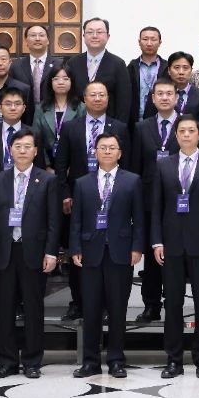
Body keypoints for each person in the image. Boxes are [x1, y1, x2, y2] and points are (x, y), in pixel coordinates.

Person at [153, 117, 199, 379]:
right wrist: (157, 241)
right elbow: (156, 207)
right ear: (175, 135)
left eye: (191, 131)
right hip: (171, 245)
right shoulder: (163, 165)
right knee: (172, 304)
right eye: (182, 131)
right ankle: (173, 359)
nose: (186, 135)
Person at [0, 129, 59, 379]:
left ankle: (32, 361)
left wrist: (51, 252)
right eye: (18, 146)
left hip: (34, 252)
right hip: (5, 252)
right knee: (5, 309)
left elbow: (53, 220)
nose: (23, 150)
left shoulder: (47, 180)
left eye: (28, 146)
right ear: (10, 150)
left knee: (33, 309)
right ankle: (7, 362)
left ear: (35, 151)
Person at [68, 133, 144, 378]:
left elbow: (139, 218)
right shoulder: (82, 183)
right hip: (90, 253)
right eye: (103, 147)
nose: (108, 151)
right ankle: (90, 361)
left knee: (117, 309)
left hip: (120, 253)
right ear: (95, 152)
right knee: (91, 309)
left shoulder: (132, 181)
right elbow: (76, 220)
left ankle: (116, 360)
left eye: (112, 148)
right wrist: (75, 248)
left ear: (120, 153)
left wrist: (137, 247)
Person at [55, 82, 131, 321]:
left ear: (108, 98)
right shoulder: (70, 127)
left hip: (112, 199)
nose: (98, 98)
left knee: (109, 252)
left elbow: (127, 165)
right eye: (93, 95)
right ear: (84, 99)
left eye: (102, 94)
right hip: (80, 199)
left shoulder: (119, 127)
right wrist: (65, 193)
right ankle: (78, 302)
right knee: (80, 252)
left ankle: (108, 305)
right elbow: (61, 164)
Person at [131, 79, 180, 322]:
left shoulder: (186, 125)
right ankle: (151, 305)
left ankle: (174, 303)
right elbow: (135, 168)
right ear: (152, 98)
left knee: (176, 254)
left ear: (176, 97)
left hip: (179, 200)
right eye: (159, 94)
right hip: (150, 201)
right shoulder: (142, 127)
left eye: (169, 93)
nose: (164, 97)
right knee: (152, 256)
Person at [65, 17, 132, 124]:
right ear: (83, 36)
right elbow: (68, 96)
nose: (94, 36)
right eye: (90, 32)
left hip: (108, 125)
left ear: (108, 36)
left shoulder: (118, 64)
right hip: (77, 124)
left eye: (99, 32)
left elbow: (124, 101)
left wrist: (118, 128)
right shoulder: (73, 63)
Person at [32, 64, 82, 172]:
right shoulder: (41, 108)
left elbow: (82, 141)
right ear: (50, 82)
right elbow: (36, 139)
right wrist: (46, 166)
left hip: (74, 167)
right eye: (56, 79)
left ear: (72, 82)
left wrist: (72, 168)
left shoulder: (81, 108)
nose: (61, 82)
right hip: (47, 167)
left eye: (65, 79)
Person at [8, 24, 62, 109]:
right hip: (23, 113)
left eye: (41, 35)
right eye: (33, 35)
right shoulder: (15, 66)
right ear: (26, 41)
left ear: (48, 40)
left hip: (51, 112)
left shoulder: (60, 64)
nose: (37, 39)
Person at [127, 25, 168, 125]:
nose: (149, 43)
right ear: (139, 42)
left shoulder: (167, 68)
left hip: (161, 122)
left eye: (153, 39)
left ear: (160, 42)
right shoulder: (131, 67)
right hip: (134, 122)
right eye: (145, 39)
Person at [146, 51, 199, 121]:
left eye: (185, 68)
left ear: (191, 70)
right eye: (177, 67)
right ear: (169, 70)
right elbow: (148, 121)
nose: (181, 72)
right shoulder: (156, 93)